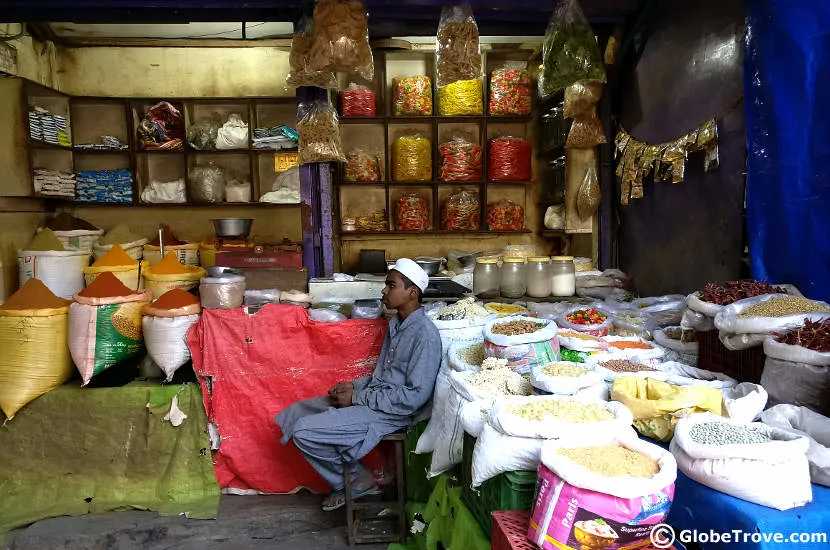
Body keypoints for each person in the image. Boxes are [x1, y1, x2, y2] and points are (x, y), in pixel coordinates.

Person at [276, 258, 442, 511]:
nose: (384, 291)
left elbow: (413, 398)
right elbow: (383, 376)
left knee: (303, 431)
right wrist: (354, 386)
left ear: (412, 292)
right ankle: (349, 477)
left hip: (392, 413)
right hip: (375, 398)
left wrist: (358, 398)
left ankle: (355, 479)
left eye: (391, 285)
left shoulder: (425, 335)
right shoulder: (396, 325)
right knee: (295, 413)